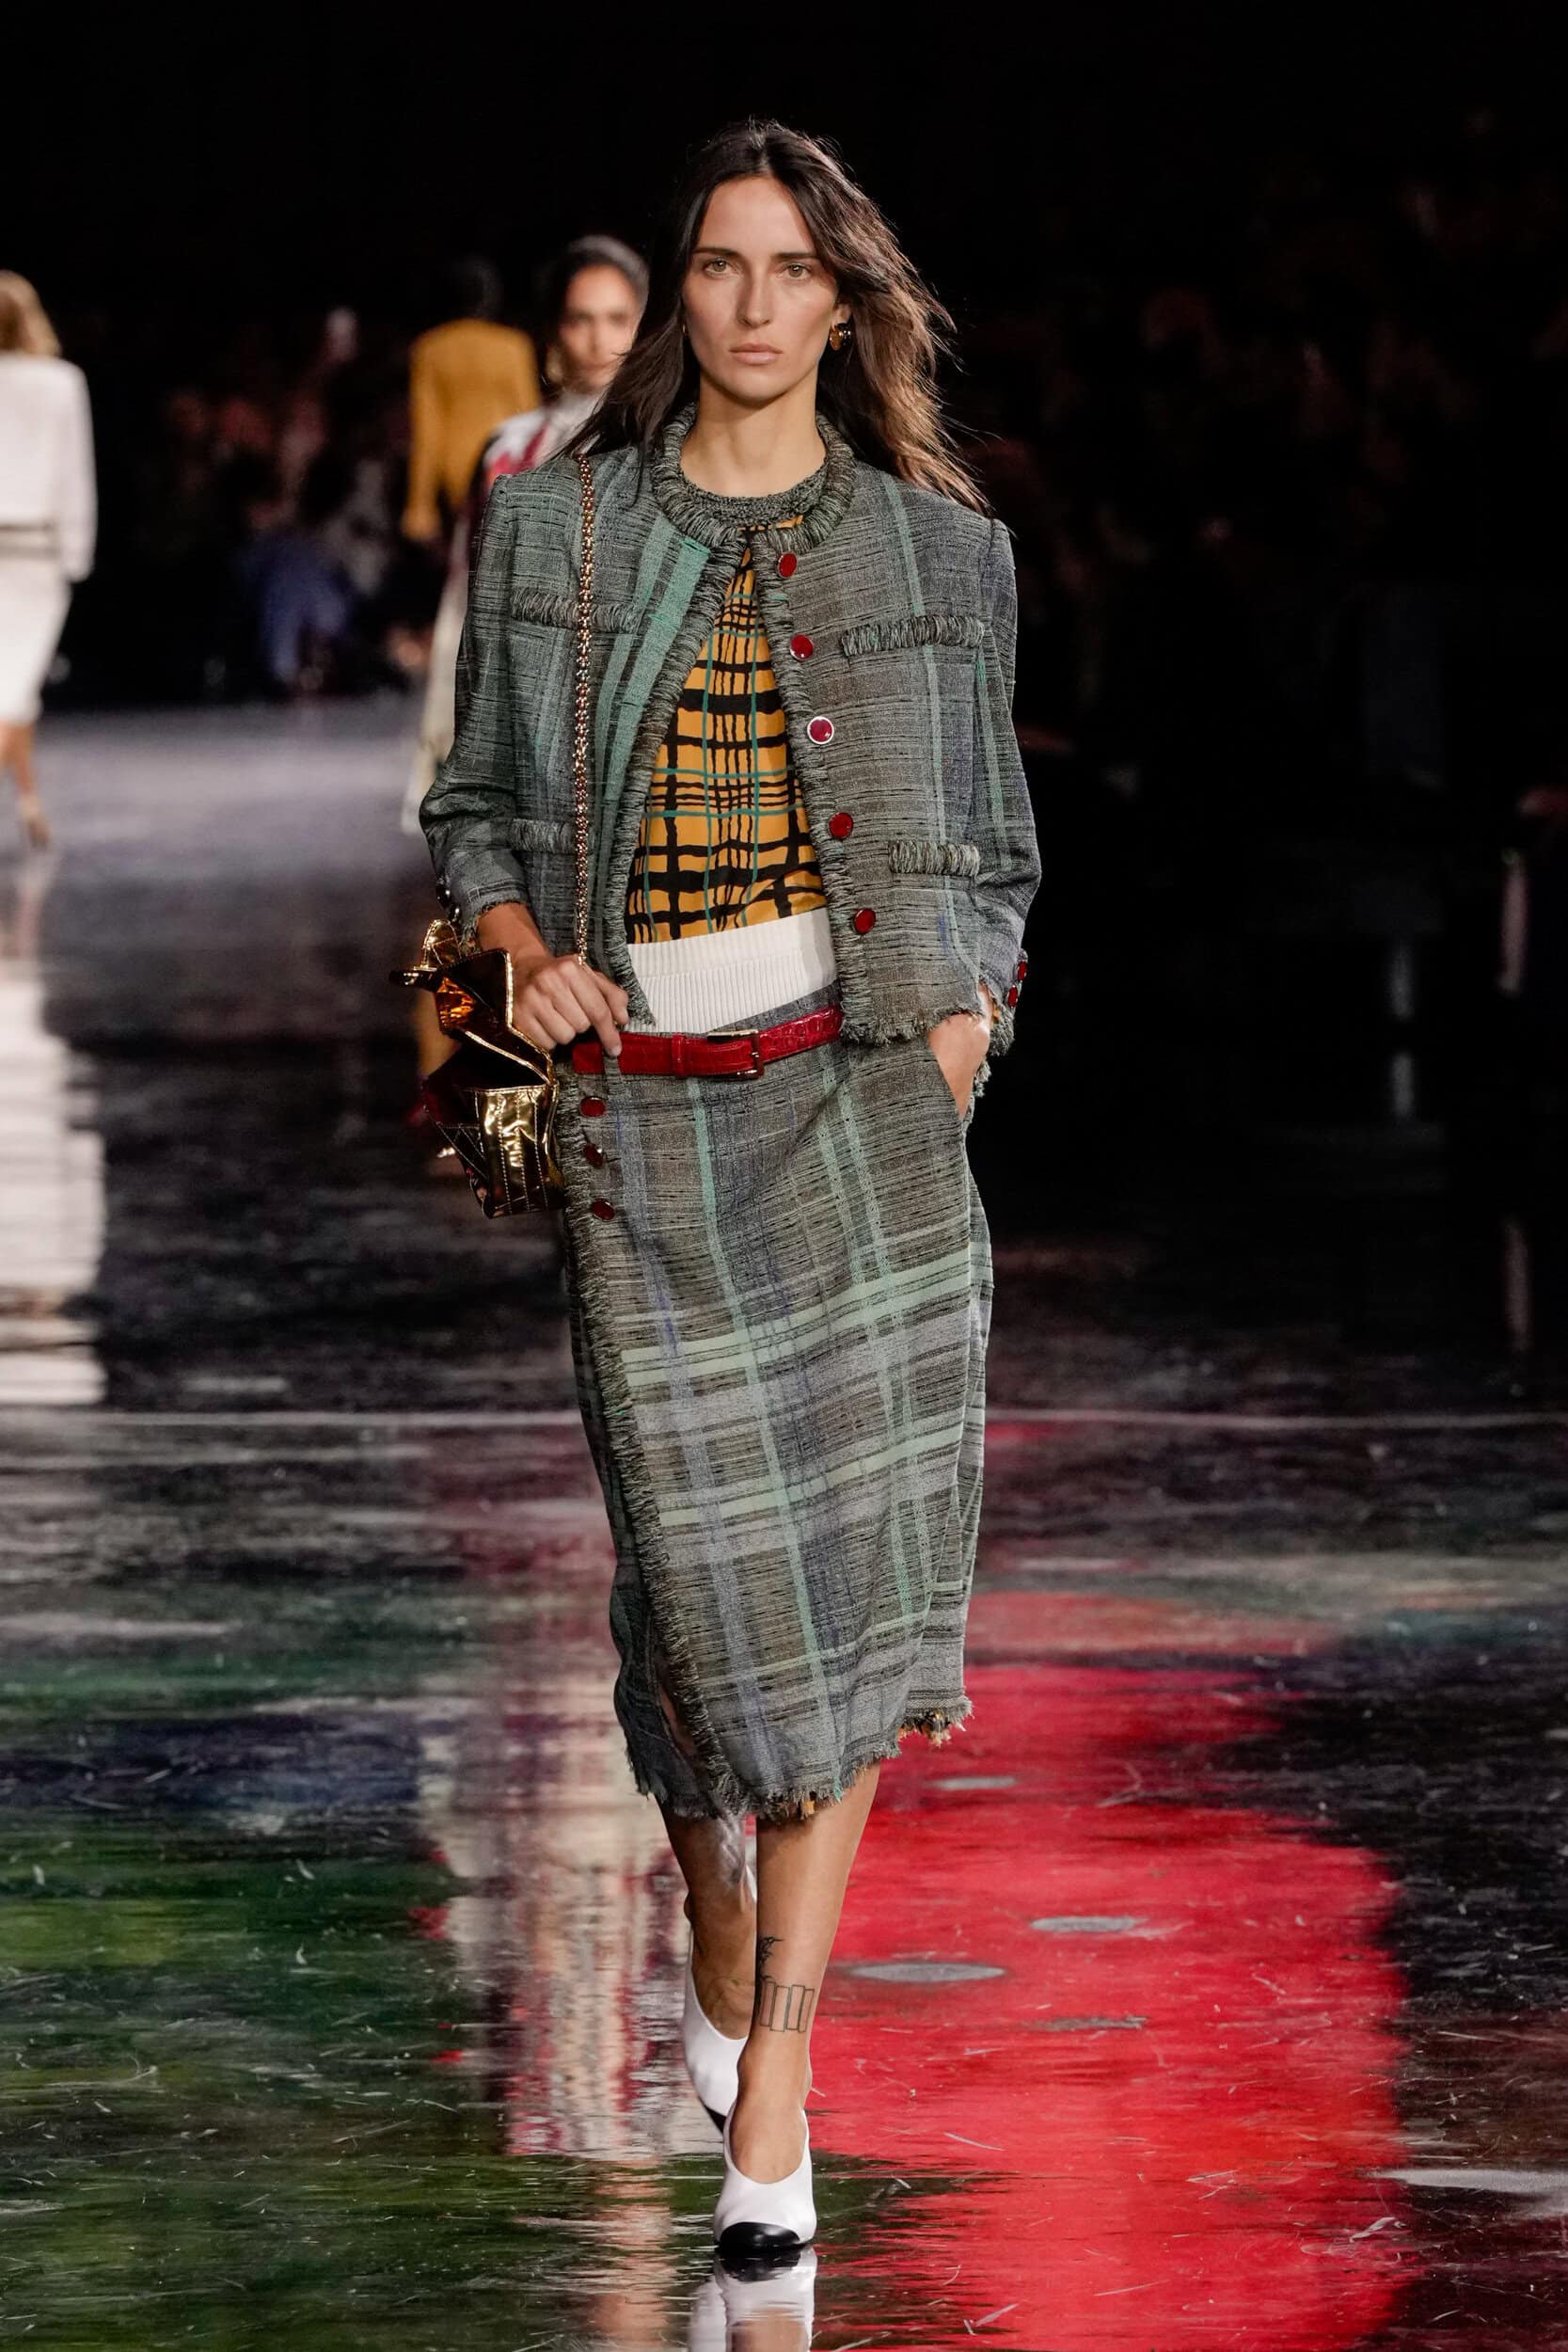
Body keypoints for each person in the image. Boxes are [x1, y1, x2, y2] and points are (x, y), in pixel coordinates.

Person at [419, 119, 1039, 2263]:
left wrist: (961, 1041)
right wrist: (520, 949)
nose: (756, 305)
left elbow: (993, 853)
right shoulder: (561, 527)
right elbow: (475, 808)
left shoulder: (941, 554)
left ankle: (777, 2060)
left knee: (852, 1608)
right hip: (643, 1127)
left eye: (794, 270)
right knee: (695, 1619)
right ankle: (707, 1907)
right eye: (721, 265)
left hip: (867, 1111)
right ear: (678, 294)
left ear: (847, 302)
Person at [404, 236, 647, 830]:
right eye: (580, 319)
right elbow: (469, 600)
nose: (599, 339)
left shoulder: (669, 441)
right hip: (526, 683)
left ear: (644, 326)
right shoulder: (511, 448)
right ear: (555, 330)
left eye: (617, 319)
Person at [0, 275, 95, 848]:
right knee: (13, 688)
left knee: (12, 690)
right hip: (35, 554)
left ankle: (29, 799)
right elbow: (73, 473)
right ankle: (28, 802)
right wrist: (77, 553)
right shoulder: (61, 383)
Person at [401, 257, 540, 547]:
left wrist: (420, 507)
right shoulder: (513, 346)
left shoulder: (431, 349)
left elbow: (427, 431)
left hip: (455, 471)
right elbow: (529, 415)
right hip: (505, 461)